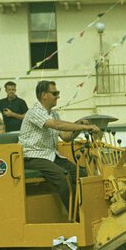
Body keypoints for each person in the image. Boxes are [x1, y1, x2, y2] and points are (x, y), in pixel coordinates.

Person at [18, 80, 97, 213]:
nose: (58, 96)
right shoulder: (34, 112)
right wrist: (84, 126)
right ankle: (76, 217)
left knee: (81, 174)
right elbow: (57, 125)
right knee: (62, 176)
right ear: (44, 95)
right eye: (55, 93)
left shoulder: (53, 114)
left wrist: (78, 126)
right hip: (32, 156)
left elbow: (66, 137)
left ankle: (87, 212)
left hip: (50, 155)